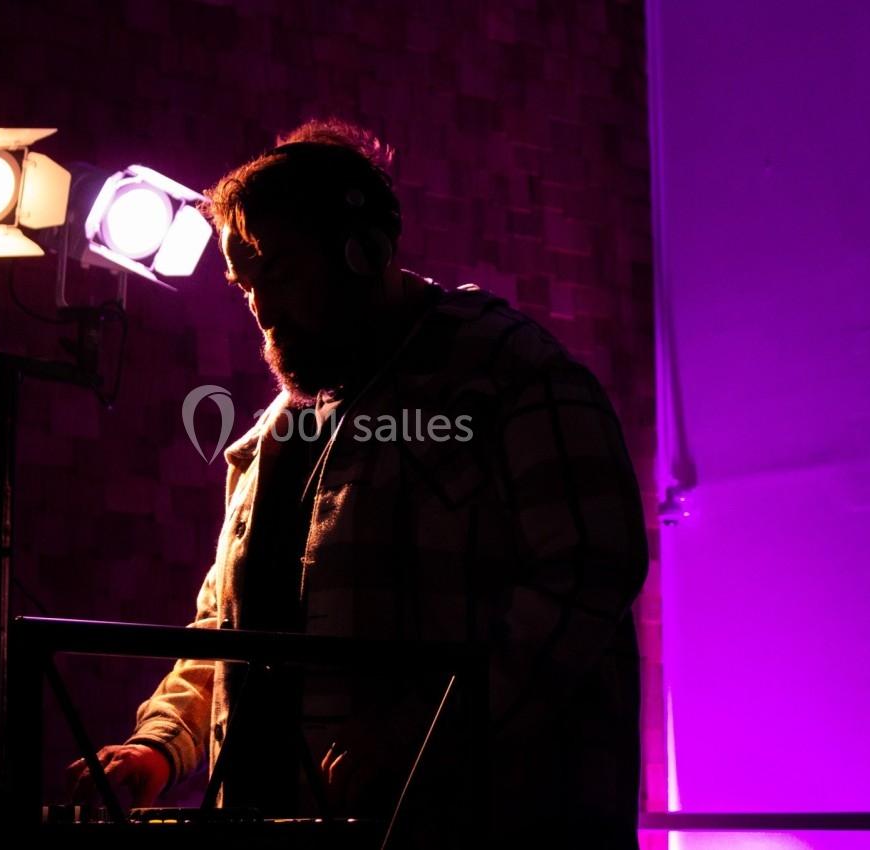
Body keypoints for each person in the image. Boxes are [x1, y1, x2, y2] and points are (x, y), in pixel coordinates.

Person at [67, 119, 648, 847]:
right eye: (245, 284)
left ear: (363, 253)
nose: (261, 309)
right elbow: (226, 631)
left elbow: (590, 569)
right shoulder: (272, 443)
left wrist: (427, 740)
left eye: (277, 273)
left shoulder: (509, 373)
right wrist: (157, 748)